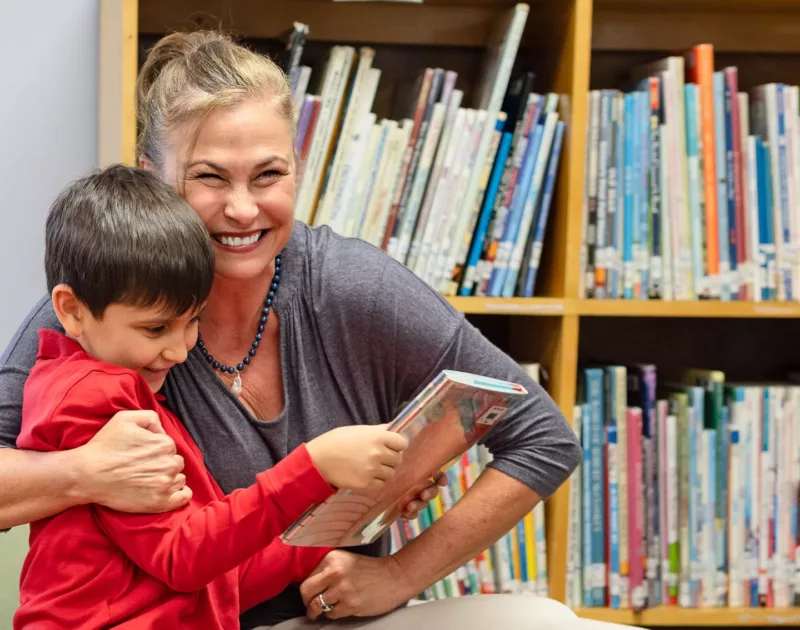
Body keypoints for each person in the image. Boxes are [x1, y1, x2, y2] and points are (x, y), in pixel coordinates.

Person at [0, 30, 582, 629]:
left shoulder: (354, 287)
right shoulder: (106, 312)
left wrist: (396, 566)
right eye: (210, 177)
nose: (244, 209)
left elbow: (543, 438)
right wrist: (82, 475)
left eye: (268, 174)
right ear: (154, 179)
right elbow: (187, 557)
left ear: (298, 168)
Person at [14, 165, 409, 629]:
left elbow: (222, 581)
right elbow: (186, 558)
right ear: (72, 311)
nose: (180, 350)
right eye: (156, 328)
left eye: (192, 321)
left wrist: (349, 515)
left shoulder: (129, 389)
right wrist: (313, 468)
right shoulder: (93, 398)